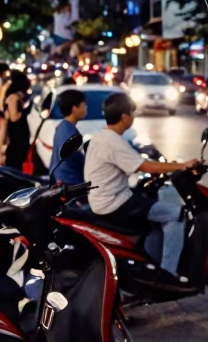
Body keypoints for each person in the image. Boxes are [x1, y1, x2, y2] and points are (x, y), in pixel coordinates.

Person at [84, 91, 199, 276]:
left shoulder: (100, 137)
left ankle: (149, 266)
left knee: (152, 212)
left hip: (103, 201)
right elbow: (146, 166)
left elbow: (134, 165)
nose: (134, 117)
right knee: (177, 214)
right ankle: (168, 274)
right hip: (115, 206)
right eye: (132, 113)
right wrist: (184, 165)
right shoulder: (114, 142)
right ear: (124, 117)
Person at [50, 89, 88, 185]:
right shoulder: (70, 132)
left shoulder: (63, 126)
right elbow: (75, 161)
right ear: (74, 109)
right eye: (83, 105)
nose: (86, 108)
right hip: (69, 183)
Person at [2, 70, 32, 171]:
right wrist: (25, 113)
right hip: (17, 133)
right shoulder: (13, 97)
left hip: (20, 133)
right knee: (17, 157)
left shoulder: (16, 96)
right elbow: (13, 116)